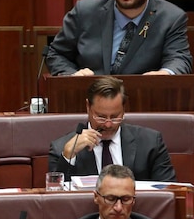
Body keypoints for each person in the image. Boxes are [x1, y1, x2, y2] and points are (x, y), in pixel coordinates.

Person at [46, 0, 193, 77]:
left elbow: (179, 58)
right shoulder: (85, 12)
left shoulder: (170, 17)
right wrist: (72, 75)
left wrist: (166, 73)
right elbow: (56, 53)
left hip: (143, 97)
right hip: (91, 96)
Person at [48, 76, 176, 182]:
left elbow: (169, 191)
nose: (108, 125)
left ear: (124, 109)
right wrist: (67, 157)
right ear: (88, 107)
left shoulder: (151, 143)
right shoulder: (61, 148)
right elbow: (55, 200)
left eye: (115, 117)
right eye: (101, 117)